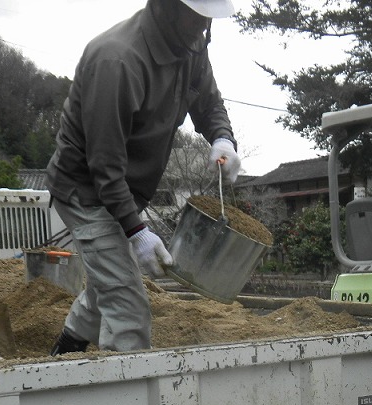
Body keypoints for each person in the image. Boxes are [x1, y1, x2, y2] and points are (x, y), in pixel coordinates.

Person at [47, 0, 241, 354]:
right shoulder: (118, 60)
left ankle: (67, 348)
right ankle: (124, 404)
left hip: (124, 190)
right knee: (129, 309)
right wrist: (137, 232)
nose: (202, 25)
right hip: (85, 191)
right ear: (167, 6)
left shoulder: (190, 45)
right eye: (195, 15)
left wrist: (222, 137)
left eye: (207, 19)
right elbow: (104, 165)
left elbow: (210, 103)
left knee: (110, 279)